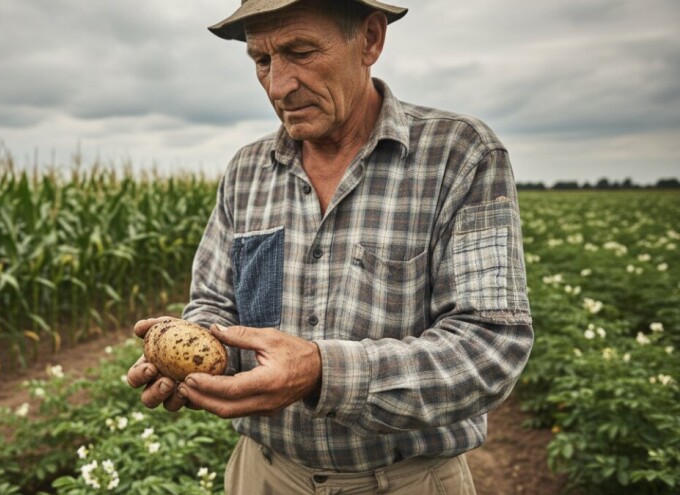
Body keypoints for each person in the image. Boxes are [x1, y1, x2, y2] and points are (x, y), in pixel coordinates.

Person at [127, 0, 534, 493]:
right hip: (263, 473)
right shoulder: (247, 171)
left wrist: (323, 372)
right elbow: (215, 305)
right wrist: (190, 358)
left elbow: (491, 347)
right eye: (262, 60)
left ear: (370, 40)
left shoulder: (460, 155)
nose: (279, 86)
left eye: (300, 51)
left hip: (406, 480)